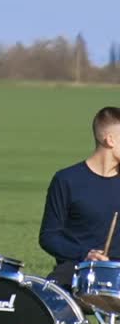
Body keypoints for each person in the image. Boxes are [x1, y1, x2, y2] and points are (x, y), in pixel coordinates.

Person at [40, 106, 120, 288]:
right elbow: (49, 236)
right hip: (77, 268)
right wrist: (84, 254)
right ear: (110, 140)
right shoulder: (66, 180)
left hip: (117, 274)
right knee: (47, 299)